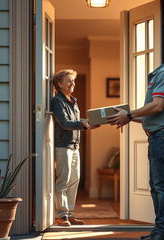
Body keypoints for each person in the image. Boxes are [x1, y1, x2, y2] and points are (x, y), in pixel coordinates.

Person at [107, 64, 164, 240]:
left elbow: (157, 106)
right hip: (158, 136)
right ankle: (160, 230)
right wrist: (127, 118)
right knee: (156, 185)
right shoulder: (156, 77)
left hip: (163, 136)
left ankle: (163, 233)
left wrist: (129, 114)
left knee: (161, 185)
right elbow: (153, 114)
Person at [50, 69, 97, 226]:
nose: (72, 83)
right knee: (63, 180)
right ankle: (61, 215)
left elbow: (76, 120)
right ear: (59, 84)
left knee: (74, 180)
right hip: (63, 146)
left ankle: (70, 214)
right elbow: (63, 123)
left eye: (73, 81)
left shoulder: (73, 101)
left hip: (75, 146)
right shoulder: (57, 101)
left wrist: (91, 122)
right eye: (69, 80)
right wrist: (83, 125)